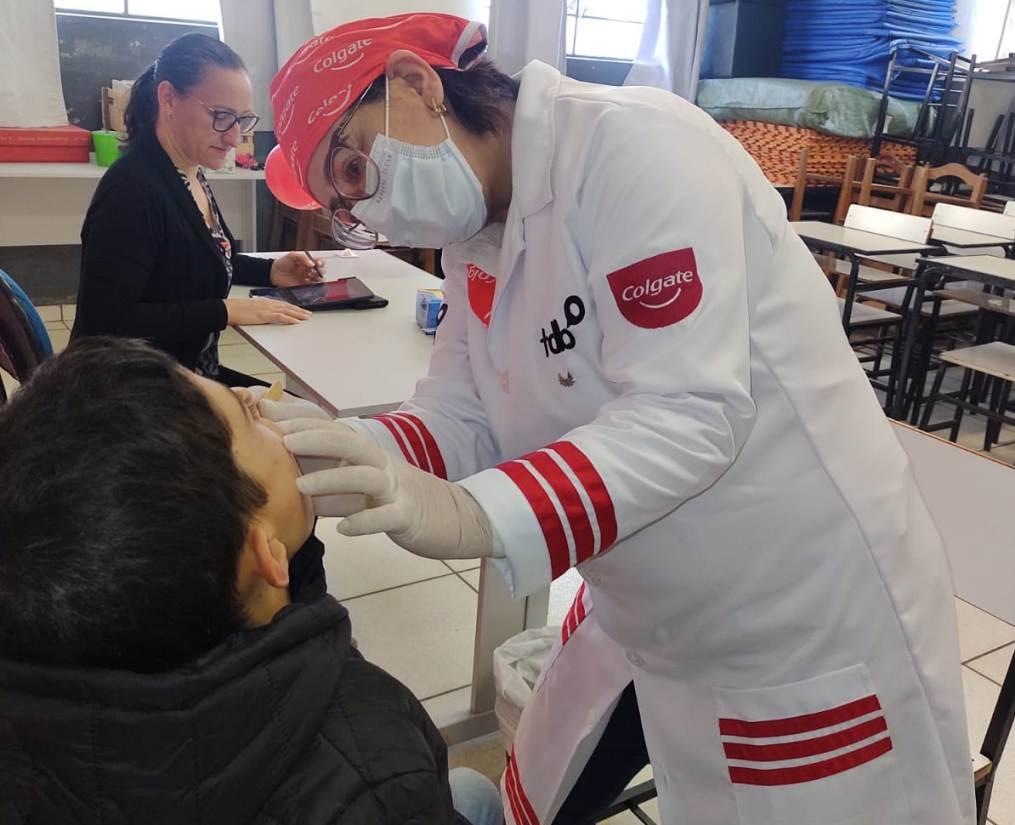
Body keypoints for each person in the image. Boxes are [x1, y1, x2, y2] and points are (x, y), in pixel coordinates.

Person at [260, 13, 974, 825]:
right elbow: (464, 411)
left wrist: (473, 512)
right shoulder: (475, 239)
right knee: (536, 788)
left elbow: (688, 417)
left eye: (354, 169)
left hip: (789, 611)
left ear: (418, 85)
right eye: (344, 206)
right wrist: (351, 452)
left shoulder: (632, 149)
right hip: (642, 599)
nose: (372, 214)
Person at [0, 337, 503, 825]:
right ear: (266, 553)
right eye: (251, 419)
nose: (257, 399)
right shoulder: (374, 773)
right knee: (476, 793)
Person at [72, 33, 320, 387]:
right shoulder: (132, 190)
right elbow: (107, 322)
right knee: (298, 432)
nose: (235, 138)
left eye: (242, 119)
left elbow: (200, 261)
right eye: (221, 116)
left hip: (186, 373)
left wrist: (271, 272)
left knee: (306, 422)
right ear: (169, 98)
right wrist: (224, 312)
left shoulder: (189, 172)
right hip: (128, 392)